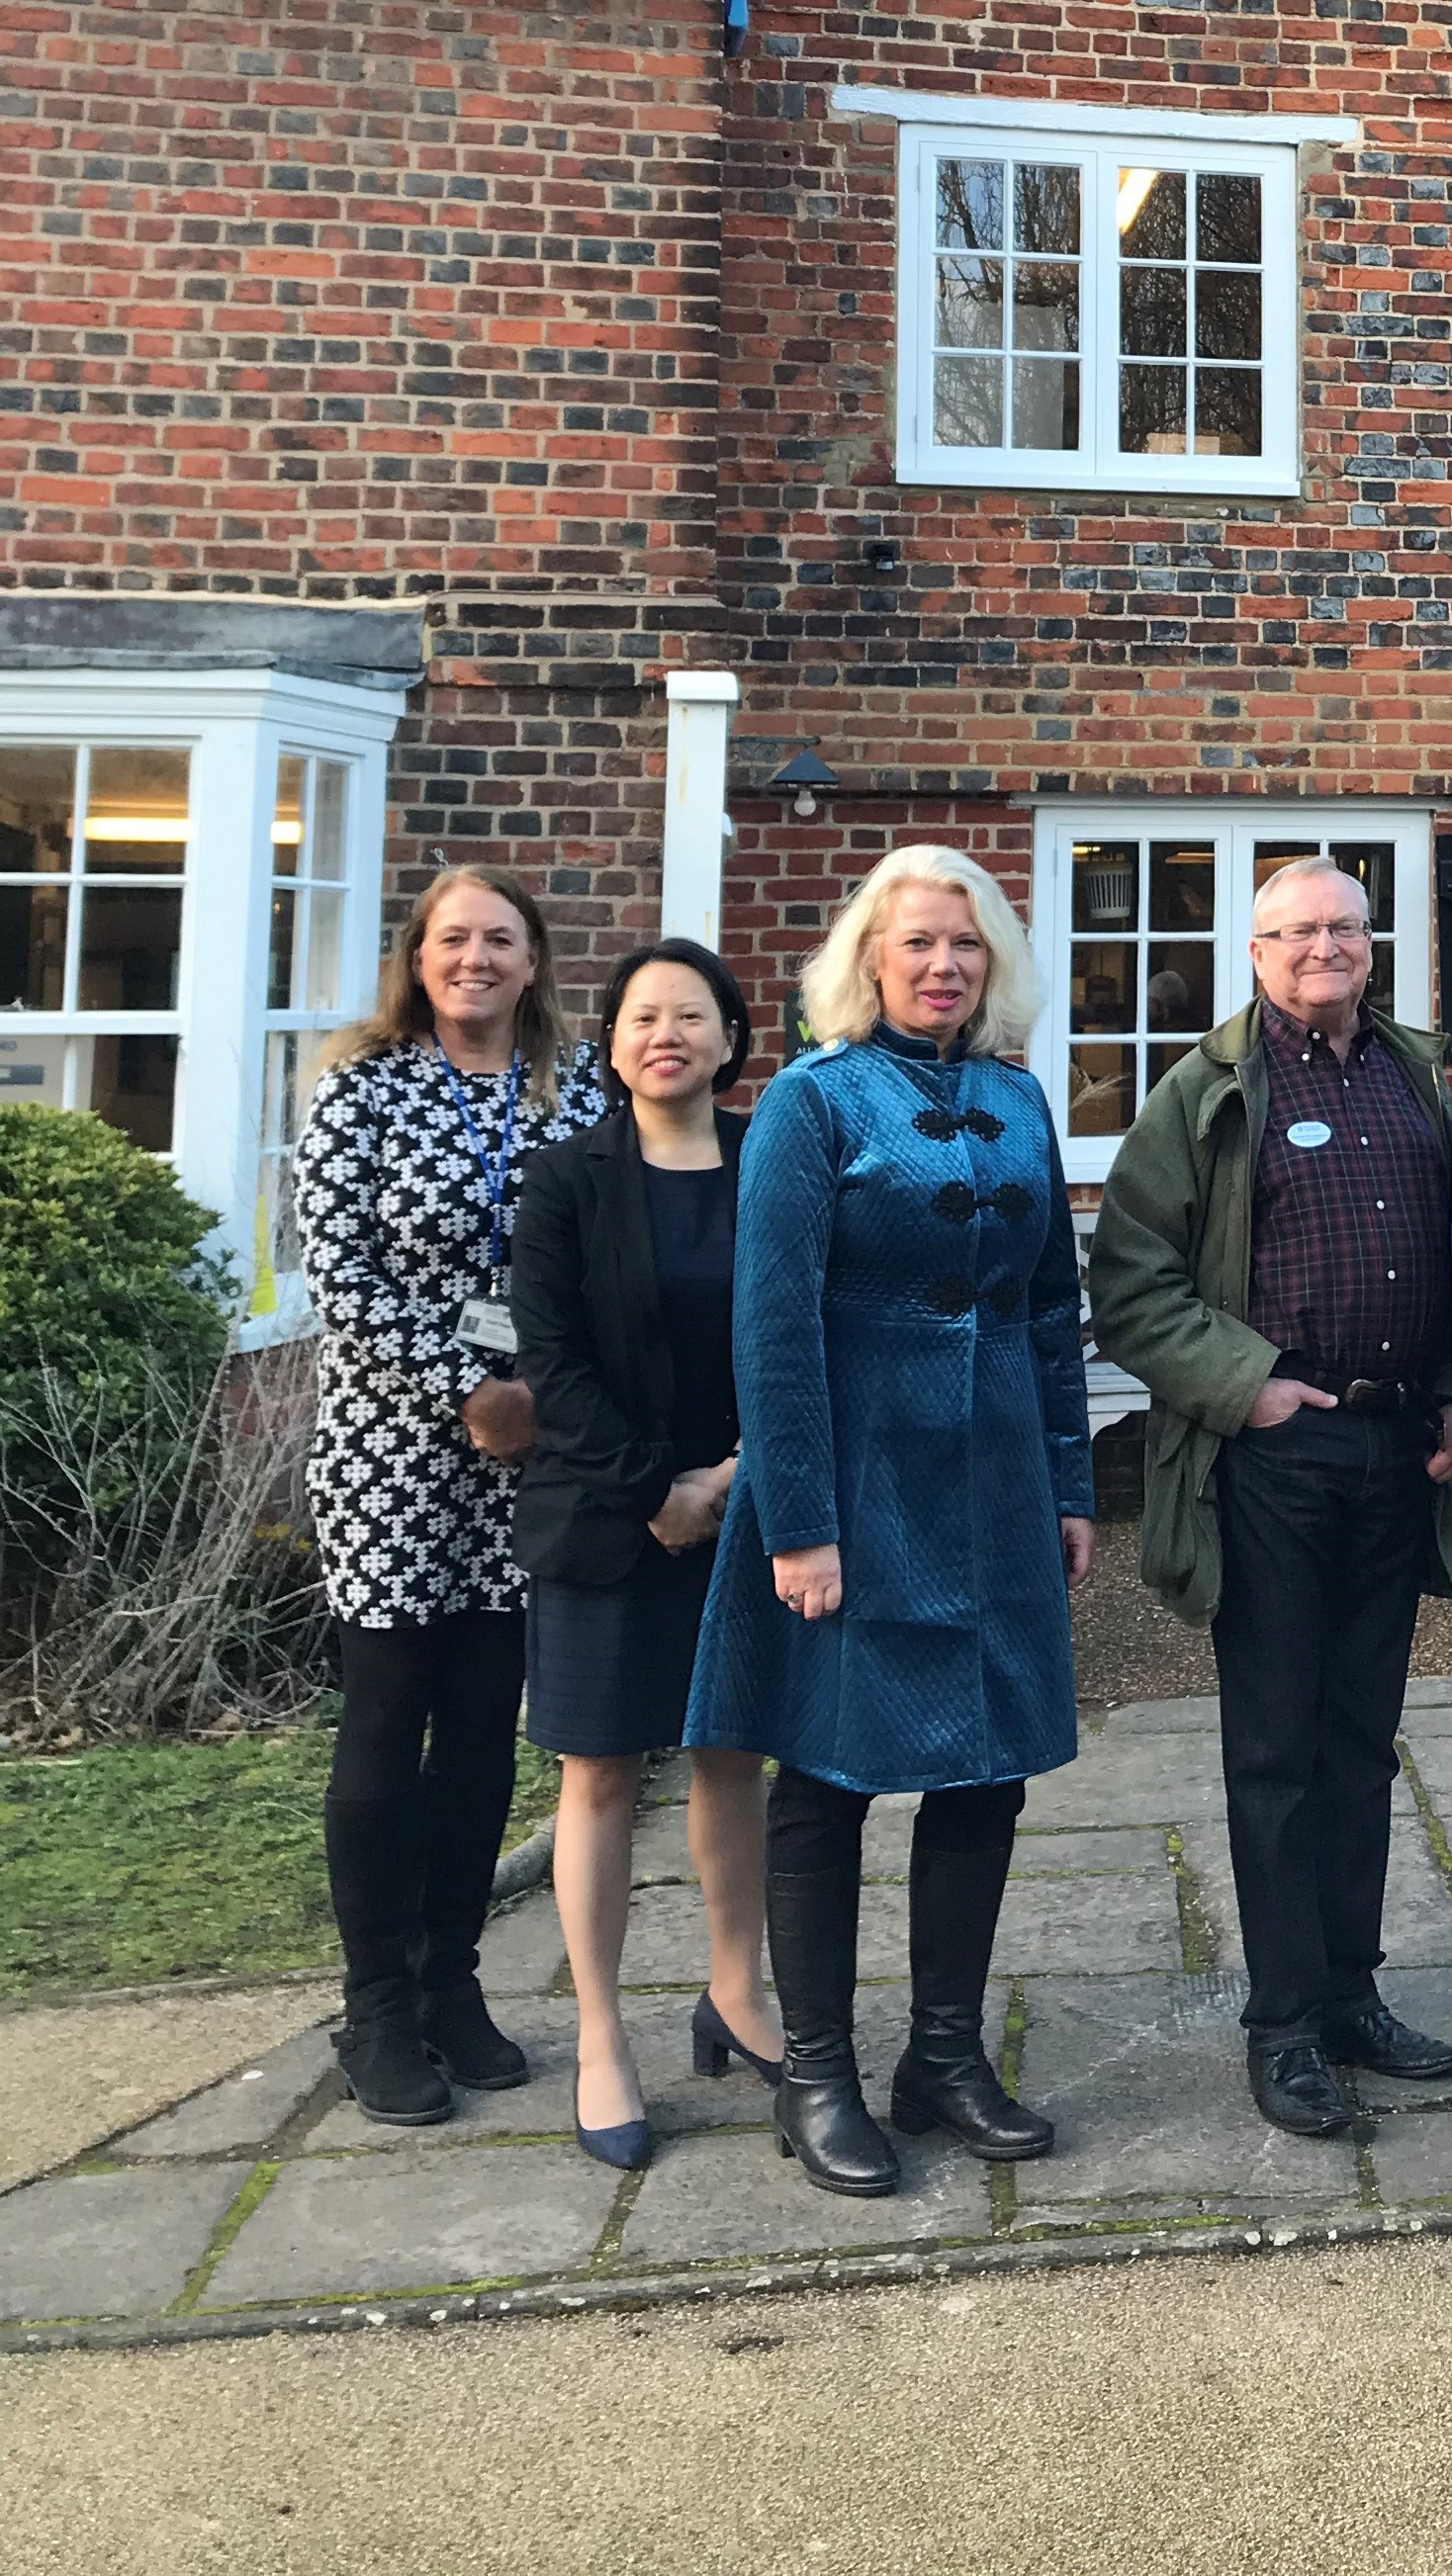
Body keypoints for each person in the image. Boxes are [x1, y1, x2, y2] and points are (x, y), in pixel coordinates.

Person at [684, 845, 1093, 2197]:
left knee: (988, 1767)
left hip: (996, 1492)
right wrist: (796, 1520)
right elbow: (774, 1326)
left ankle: (944, 2057)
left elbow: (1047, 1311)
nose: (941, 965)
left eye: (965, 946)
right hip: (854, 1494)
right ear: (867, 959)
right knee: (832, 1774)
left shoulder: (1019, 1098)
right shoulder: (812, 1103)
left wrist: (1072, 1484)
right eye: (916, 943)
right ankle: (815, 2073)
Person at [1089, 857, 1452, 2139]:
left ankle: (1348, 1996)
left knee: (1358, 1742)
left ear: (1371, 945)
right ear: (1255, 951)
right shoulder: (1205, 1093)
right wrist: (1251, 1386)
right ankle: (1282, 2027)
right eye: (1295, 931)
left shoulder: (1416, 1078)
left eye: (1343, 927)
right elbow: (1131, 1282)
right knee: (1274, 1749)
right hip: (1270, 1458)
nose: (1322, 947)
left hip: (1395, 1453)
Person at [294, 864, 606, 2125]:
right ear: (418, 959)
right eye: (452, 939)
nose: (475, 958)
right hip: (391, 1453)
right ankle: (375, 2006)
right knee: (386, 1719)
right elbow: (340, 1274)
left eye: (501, 940)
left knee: (484, 1725)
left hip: (533, 1450)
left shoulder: (575, 1087)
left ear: (534, 961)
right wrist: (464, 1391)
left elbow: (606, 1243)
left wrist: (544, 1394)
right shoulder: (357, 1090)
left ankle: (455, 1984)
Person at [511, 938, 781, 2171]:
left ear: (731, 1042)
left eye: (690, 1016)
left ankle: (738, 1991)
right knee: (602, 1775)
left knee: (735, 1756)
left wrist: (728, 1480)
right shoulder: (565, 1180)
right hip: (604, 1520)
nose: (663, 1033)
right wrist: (655, 1491)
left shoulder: (772, 1172)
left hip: (743, 1505)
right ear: (610, 1045)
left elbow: (798, 1334)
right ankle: (601, 2037)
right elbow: (551, 1365)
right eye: (639, 1017)